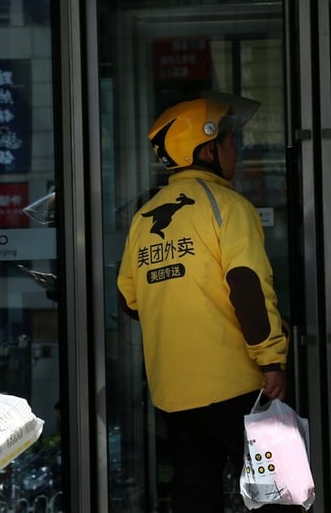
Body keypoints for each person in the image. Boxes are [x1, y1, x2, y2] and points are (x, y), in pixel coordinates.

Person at [116, 94, 293, 512]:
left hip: (174, 394)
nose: (237, 151)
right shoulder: (229, 206)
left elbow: (128, 299)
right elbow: (247, 286)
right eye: (232, 141)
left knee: (195, 496)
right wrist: (272, 362)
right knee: (278, 495)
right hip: (240, 384)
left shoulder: (145, 217)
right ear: (208, 148)